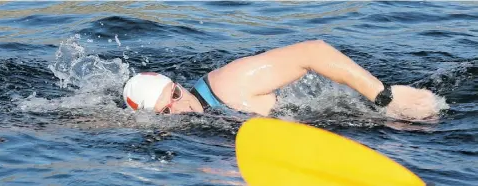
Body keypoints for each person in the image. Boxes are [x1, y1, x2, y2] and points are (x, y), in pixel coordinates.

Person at [123, 40, 443, 120]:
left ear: (178, 85)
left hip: (360, 112)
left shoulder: (230, 84)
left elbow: (313, 51)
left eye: (175, 96)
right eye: (165, 112)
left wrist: (384, 97)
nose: (179, 110)